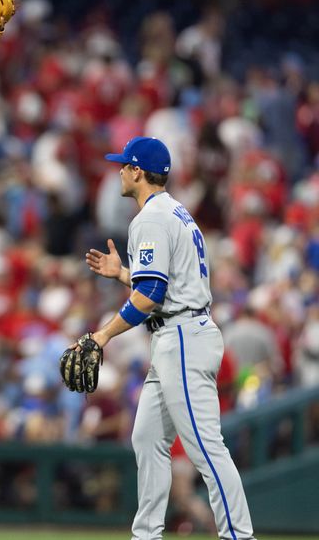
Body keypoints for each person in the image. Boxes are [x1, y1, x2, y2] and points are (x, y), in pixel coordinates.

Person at [81, 136, 255, 540]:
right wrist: (124, 274)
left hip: (182, 338)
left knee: (207, 450)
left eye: (124, 165)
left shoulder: (150, 219)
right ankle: (147, 535)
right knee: (146, 438)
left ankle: (240, 537)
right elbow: (163, 286)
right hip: (179, 333)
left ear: (137, 171)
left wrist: (102, 335)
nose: (120, 170)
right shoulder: (174, 212)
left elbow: (151, 297)